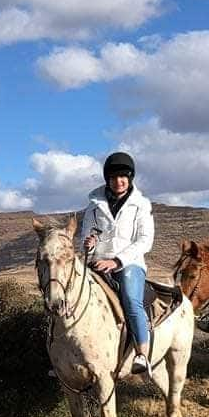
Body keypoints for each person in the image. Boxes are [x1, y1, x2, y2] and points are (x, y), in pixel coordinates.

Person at [80, 151, 155, 375]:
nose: (118, 181)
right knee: (68, 295)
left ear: (130, 178)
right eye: (113, 177)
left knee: (132, 300)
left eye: (123, 176)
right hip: (97, 263)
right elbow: (87, 235)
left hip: (129, 263)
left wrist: (117, 261)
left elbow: (145, 240)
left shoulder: (141, 205)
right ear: (107, 179)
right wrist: (90, 245)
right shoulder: (93, 205)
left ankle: (142, 353)